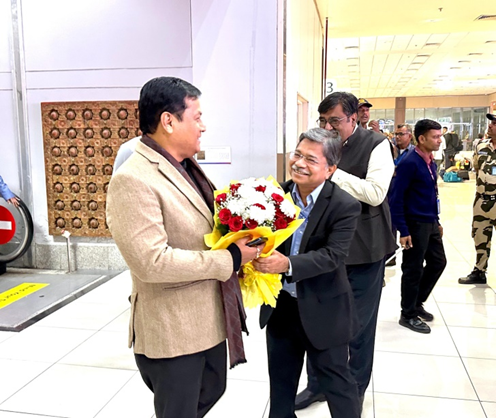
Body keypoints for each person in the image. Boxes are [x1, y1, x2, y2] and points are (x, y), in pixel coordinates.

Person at [106, 76, 261, 418]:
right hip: (172, 328)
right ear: (168, 121)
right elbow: (151, 262)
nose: (203, 126)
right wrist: (230, 258)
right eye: (197, 117)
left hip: (206, 318)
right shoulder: (133, 179)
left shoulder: (186, 167)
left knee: (212, 389)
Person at [296, 92, 396, 411]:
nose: (327, 127)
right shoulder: (316, 142)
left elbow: (376, 193)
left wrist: (332, 171)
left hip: (364, 248)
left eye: (335, 121)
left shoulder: (376, 145)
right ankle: (317, 385)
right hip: (323, 249)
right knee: (316, 320)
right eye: (323, 120)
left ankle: (353, 388)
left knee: (357, 326)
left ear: (354, 118)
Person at [255, 128, 361, 418]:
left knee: (338, 385)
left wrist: (287, 264)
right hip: (281, 308)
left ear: (330, 169)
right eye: (297, 155)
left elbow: (333, 255)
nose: (299, 163)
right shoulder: (273, 196)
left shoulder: (344, 205)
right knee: (281, 386)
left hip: (324, 308)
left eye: (311, 159)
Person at [389, 119, 447, 333]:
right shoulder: (409, 163)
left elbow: (431, 195)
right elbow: (396, 198)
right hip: (414, 224)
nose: (439, 140)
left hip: (430, 221)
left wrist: (436, 221)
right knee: (412, 268)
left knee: (438, 262)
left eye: (440, 136)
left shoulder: (430, 161)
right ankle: (408, 314)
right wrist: (403, 230)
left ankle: (416, 302)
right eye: (435, 137)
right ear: (421, 138)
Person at [459, 113, 496, 285]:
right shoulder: (481, 146)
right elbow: (476, 167)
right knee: (480, 237)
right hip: (481, 200)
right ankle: (479, 271)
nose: (490, 125)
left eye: (494, 123)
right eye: (491, 123)